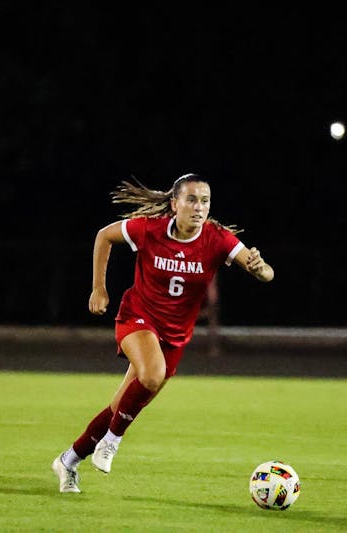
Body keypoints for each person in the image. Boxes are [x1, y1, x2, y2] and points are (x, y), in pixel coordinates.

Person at [51, 173, 274, 493]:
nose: (199, 207)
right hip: (137, 318)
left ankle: (68, 460)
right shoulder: (149, 229)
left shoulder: (216, 238)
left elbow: (266, 273)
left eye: (205, 201)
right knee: (152, 376)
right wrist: (99, 288)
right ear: (174, 204)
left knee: (120, 407)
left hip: (175, 337)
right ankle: (111, 441)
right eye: (191, 200)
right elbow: (104, 236)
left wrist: (260, 268)